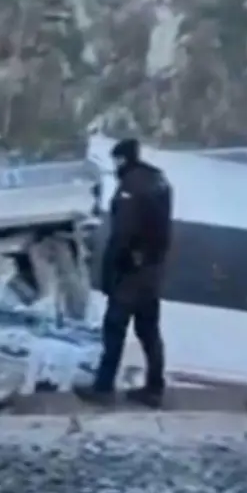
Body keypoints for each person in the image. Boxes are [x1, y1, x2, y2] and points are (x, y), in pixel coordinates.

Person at [76, 138, 174, 409]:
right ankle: (155, 388)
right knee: (149, 332)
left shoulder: (131, 187)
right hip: (152, 271)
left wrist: (111, 271)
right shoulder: (159, 181)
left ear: (122, 159)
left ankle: (103, 387)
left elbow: (123, 234)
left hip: (130, 274)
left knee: (114, 329)